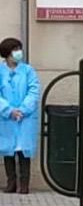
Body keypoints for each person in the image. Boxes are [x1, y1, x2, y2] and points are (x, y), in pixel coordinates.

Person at [0, 38, 41, 195]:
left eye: (19, 48)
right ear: (7, 53)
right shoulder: (0, 71)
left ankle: (24, 184)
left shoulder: (28, 70)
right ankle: (11, 182)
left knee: (24, 151)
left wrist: (23, 110)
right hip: (7, 118)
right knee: (8, 150)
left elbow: (33, 90)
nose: (18, 53)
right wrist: (9, 110)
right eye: (15, 49)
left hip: (25, 118)